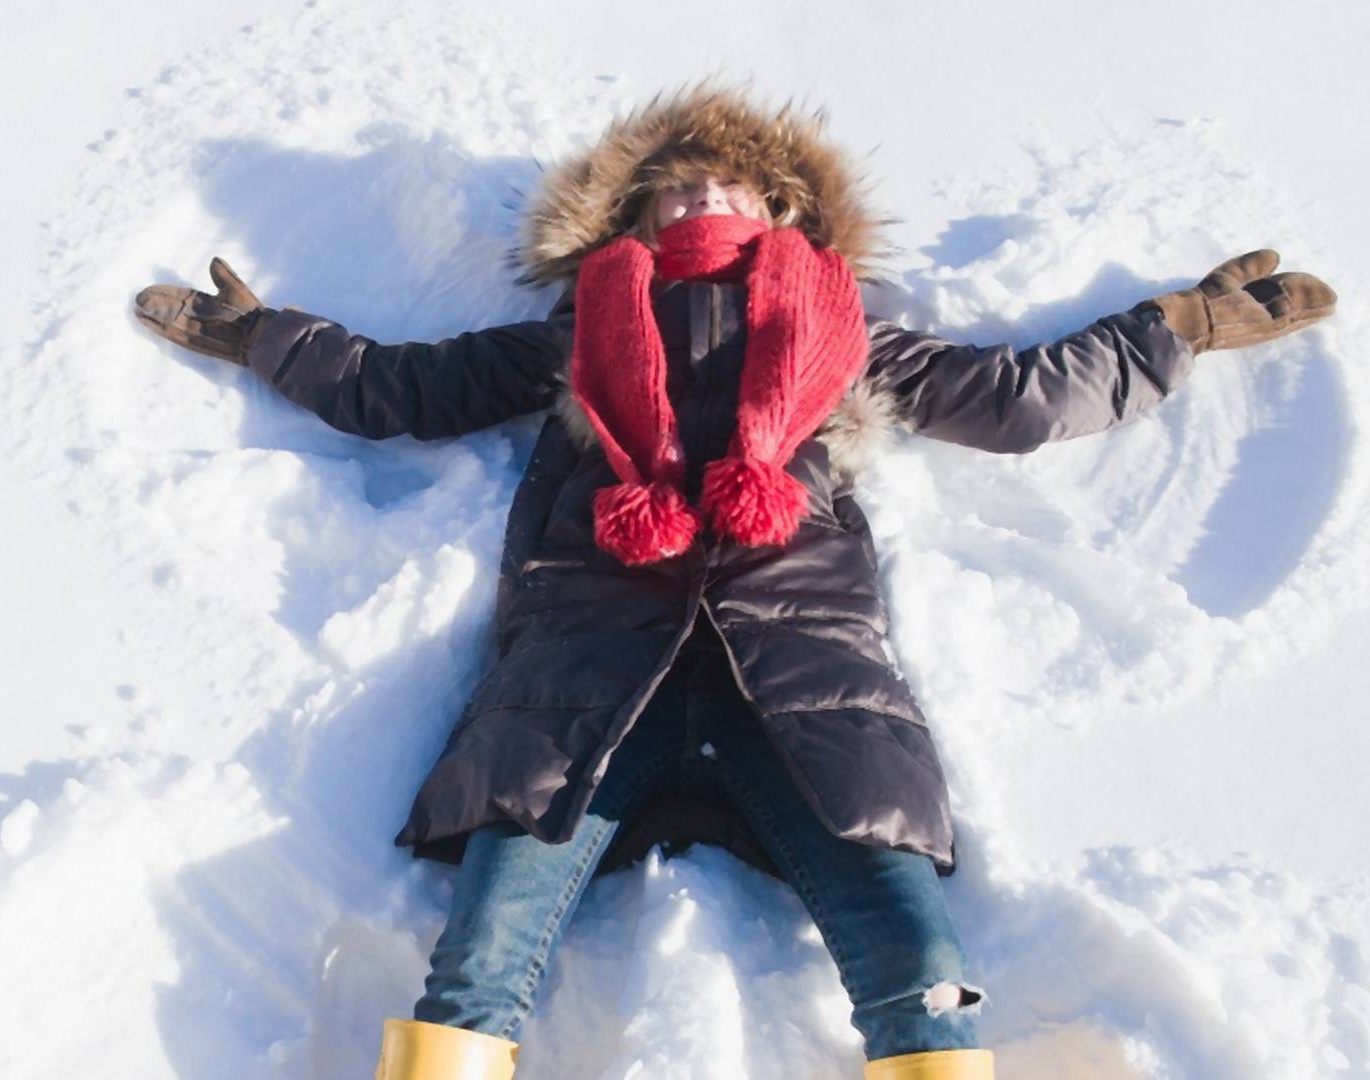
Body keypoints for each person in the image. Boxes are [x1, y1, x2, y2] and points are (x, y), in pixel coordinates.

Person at [133, 85, 1336, 1080]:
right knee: (477, 966)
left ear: (778, 209)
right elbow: (406, 388)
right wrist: (268, 338)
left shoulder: (846, 331)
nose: (701, 200)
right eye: (676, 189)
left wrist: (1180, 325)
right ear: (638, 216)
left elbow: (1019, 400)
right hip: (585, 694)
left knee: (916, 960)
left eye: (729, 188)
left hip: (803, 691)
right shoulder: (577, 330)